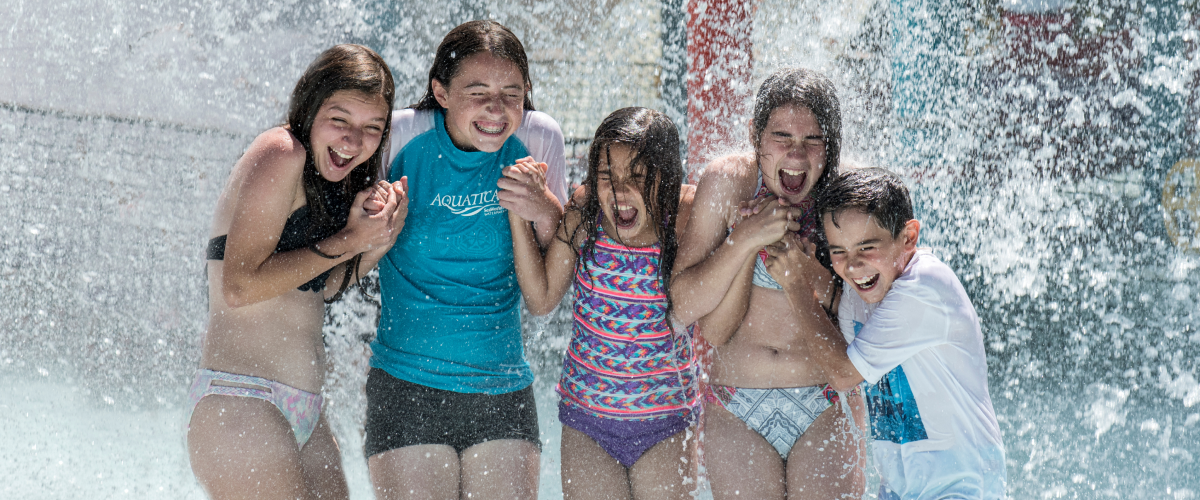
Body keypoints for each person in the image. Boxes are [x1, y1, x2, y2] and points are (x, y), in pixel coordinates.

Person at [187, 44, 407, 500]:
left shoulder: (325, 178)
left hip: (302, 411)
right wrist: (350, 240)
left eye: (372, 127)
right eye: (340, 119)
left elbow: (318, 288)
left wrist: (378, 240)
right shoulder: (281, 152)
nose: (353, 140)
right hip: (242, 400)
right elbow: (239, 285)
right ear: (311, 106)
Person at [365, 20, 568, 500]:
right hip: (406, 384)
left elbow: (555, 266)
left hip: (502, 385)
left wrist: (545, 208)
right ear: (441, 91)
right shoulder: (400, 135)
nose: (497, 109)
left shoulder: (539, 138)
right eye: (478, 93)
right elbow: (355, 235)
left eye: (512, 94)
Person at [670, 67, 867, 499]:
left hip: (825, 400)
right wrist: (744, 239)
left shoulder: (848, 192)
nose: (796, 154)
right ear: (754, 135)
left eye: (812, 140)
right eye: (781, 137)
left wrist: (807, 273)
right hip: (735, 403)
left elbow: (873, 310)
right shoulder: (728, 182)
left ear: (831, 144)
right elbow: (682, 308)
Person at [507, 107, 702, 499]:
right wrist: (517, 212)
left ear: (666, 178)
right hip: (587, 422)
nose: (620, 190)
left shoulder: (685, 219)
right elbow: (541, 299)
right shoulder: (586, 213)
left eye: (638, 176)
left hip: (667, 421)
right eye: (606, 176)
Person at [782, 167, 1007, 499]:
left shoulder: (925, 286)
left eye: (866, 247)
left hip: (962, 486)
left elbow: (843, 374)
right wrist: (796, 258)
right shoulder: (860, 292)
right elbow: (838, 342)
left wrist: (794, 286)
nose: (853, 266)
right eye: (839, 252)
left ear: (908, 238)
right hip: (900, 488)